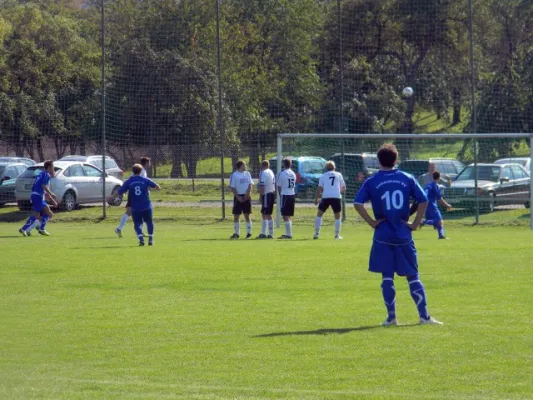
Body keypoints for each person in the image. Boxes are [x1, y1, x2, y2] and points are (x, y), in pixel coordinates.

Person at [354, 143, 443, 326]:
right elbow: (423, 200)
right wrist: (416, 223)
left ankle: (392, 318)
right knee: (413, 275)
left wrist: (371, 222)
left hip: (383, 234)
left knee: (387, 277)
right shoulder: (407, 177)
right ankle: (424, 316)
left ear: (379, 160)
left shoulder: (372, 181)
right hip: (403, 233)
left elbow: (357, 203)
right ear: (396, 160)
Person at [108, 163, 160, 246]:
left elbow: (120, 191)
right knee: (149, 222)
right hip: (146, 206)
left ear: (132, 171)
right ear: (140, 171)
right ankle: (150, 240)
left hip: (135, 207)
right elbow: (157, 186)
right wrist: (152, 188)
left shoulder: (129, 181)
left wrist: (112, 197)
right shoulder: (145, 180)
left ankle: (141, 240)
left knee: (137, 224)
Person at [19, 160, 58, 237]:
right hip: (38, 196)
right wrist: (52, 194)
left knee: (41, 215)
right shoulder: (46, 175)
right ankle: (37, 228)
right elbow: (43, 186)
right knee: (47, 213)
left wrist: (52, 200)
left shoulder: (41, 173)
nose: (53, 168)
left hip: (35, 195)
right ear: (49, 167)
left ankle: (29, 229)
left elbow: (43, 189)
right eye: (53, 166)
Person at [115, 157, 151, 237]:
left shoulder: (137, 170)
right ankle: (120, 229)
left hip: (132, 194)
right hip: (137, 195)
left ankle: (119, 229)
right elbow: (143, 184)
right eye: (149, 162)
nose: (150, 164)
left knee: (129, 212)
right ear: (145, 163)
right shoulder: (142, 171)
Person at [313, 161, 346, 240]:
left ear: (326, 168)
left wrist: (316, 198)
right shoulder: (339, 175)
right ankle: (336, 235)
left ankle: (316, 234)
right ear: (334, 167)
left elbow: (319, 189)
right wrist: (337, 192)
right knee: (337, 216)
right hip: (336, 197)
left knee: (319, 214)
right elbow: (344, 188)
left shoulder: (323, 176)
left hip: (326, 197)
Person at [422, 171, 452, 239]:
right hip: (432, 206)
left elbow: (424, 193)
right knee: (439, 220)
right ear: (439, 178)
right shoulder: (435, 186)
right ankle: (423, 222)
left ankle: (441, 235)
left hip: (426, 205)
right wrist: (447, 205)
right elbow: (440, 199)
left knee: (438, 221)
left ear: (433, 177)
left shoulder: (428, 185)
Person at [229, 160, 254, 239]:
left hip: (246, 196)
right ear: (240, 166)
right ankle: (236, 233)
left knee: (247, 214)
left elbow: (250, 184)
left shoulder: (247, 174)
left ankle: (249, 233)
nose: (245, 166)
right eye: (244, 165)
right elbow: (232, 187)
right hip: (238, 197)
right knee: (236, 215)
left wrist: (248, 194)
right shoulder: (234, 175)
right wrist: (238, 197)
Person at [276, 158, 296, 239]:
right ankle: (288, 233)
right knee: (288, 215)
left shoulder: (282, 173)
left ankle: (289, 234)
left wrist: (280, 195)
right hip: (292, 194)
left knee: (285, 215)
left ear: (284, 164)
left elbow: (279, 186)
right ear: (290, 164)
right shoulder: (293, 173)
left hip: (285, 195)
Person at [257, 160, 276, 239]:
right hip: (271, 193)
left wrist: (260, 196)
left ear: (262, 166)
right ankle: (270, 233)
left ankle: (264, 233)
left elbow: (262, 186)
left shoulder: (264, 173)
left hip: (267, 194)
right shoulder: (271, 172)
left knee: (265, 214)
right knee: (268, 214)